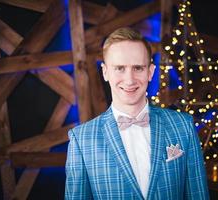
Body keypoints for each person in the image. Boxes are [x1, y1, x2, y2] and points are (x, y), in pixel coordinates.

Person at [65, 27, 209, 200]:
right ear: (105, 72)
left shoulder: (183, 125)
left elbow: (198, 195)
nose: (130, 79)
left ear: (150, 72)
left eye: (138, 68)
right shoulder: (81, 139)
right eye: (119, 68)